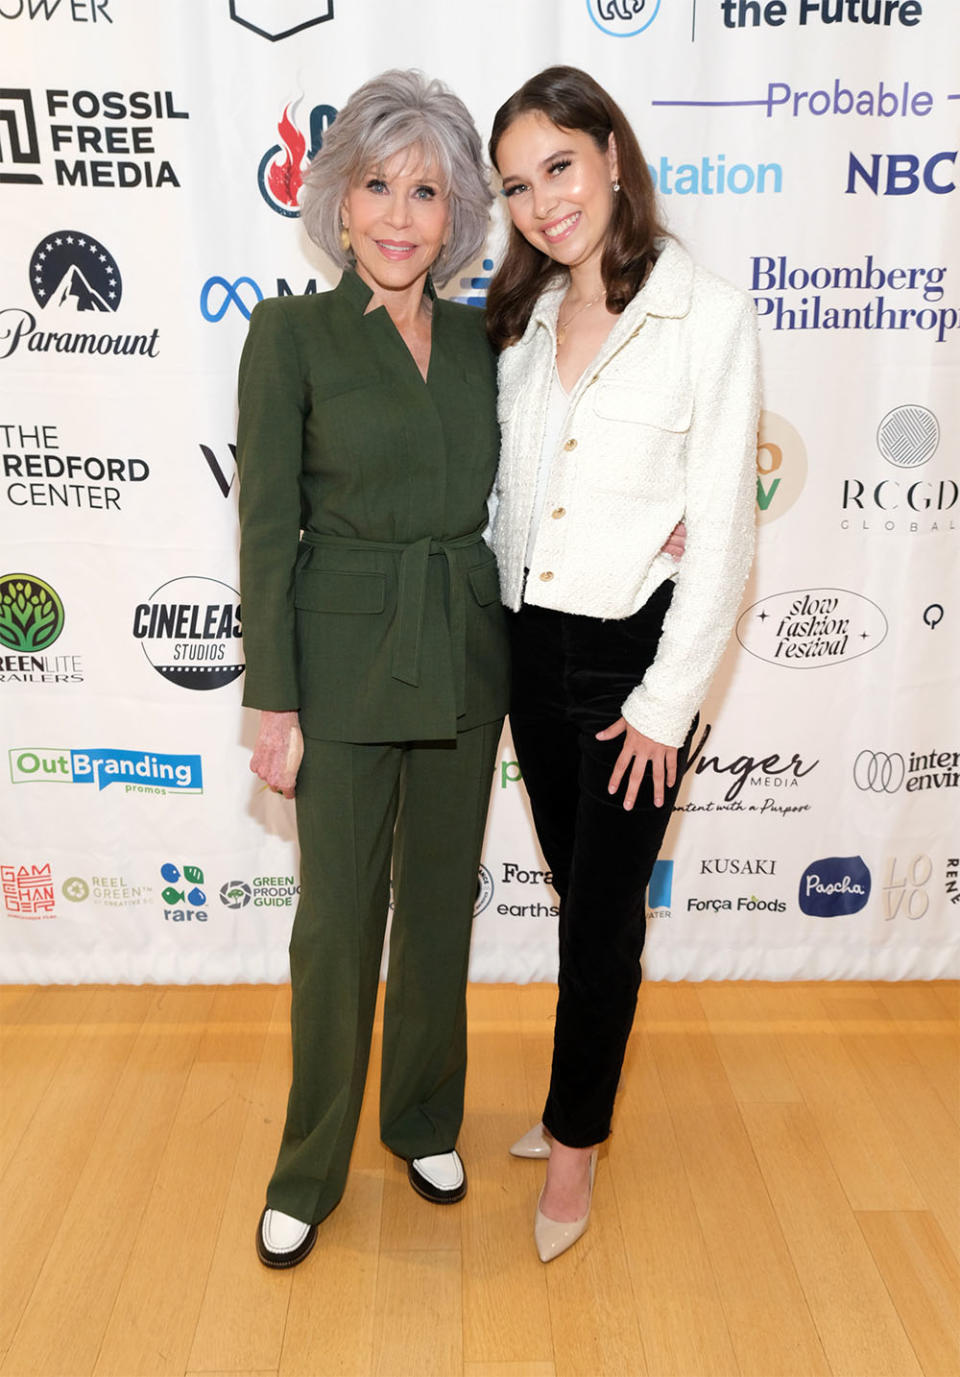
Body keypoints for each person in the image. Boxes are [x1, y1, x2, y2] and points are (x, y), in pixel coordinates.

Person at [236, 69, 510, 1269]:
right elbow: (264, 524)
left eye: (428, 192)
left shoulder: (480, 337)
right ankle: (310, 1165)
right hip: (340, 661)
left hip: (461, 648)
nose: (401, 215)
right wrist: (269, 695)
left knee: (442, 905)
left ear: (458, 218)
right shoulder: (288, 332)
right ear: (336, 202)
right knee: (337, 925)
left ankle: (423, 1117)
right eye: (377, 186)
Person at [486, 66, 760, 1262]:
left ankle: (576, 1153)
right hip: (526, 649)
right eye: (517, 185)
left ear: (609, 152)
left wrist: (663, 706)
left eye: (559, 166)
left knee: (602, 923)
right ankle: (565, 1102)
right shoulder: (526, 314)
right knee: (573, 889)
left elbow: (726, 535)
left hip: (632, 668)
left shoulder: (705, 313)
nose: (544, 202)